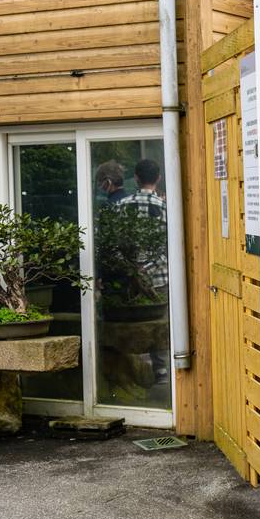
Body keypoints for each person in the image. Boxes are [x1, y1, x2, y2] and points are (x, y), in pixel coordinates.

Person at [119, 159, 170, 383]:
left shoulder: (122, 205)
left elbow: (116, 242)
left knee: (132, 323)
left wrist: (132, 267)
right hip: (159, 273)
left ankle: (132, 370)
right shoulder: (163, 206)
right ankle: (161, 371)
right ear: (157, 178)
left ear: (136, 178)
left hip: (131, 276)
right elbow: (168, 241)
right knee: (160, 324)